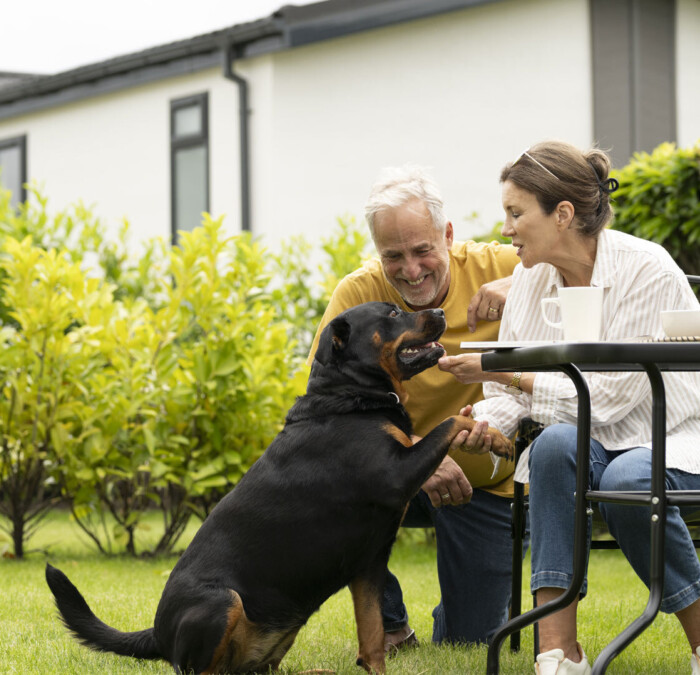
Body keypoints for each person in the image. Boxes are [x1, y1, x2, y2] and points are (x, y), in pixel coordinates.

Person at [438, 140, 700, 674]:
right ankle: (558, 652)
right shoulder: (532, 281)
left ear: (562, 214)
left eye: (516, 213)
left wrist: (505, 370)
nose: (506, 228)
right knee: (555, 445)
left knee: (628, 475)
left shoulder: (645, 270)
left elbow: (610, 399)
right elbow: (509, 399)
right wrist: (482, 424)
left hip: (674, 434)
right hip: (594, 440)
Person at [307, 165, 521, 649]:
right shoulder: (357, 296)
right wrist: (415, 454)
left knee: (471, 642)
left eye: (423, 249)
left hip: (484, 484)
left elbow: (594, 265)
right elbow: (323, 414)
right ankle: (392, 626)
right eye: (393, 256)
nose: (411, 269)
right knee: (317, 482)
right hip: (386, 478)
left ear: (447, 234)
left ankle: (459, 616)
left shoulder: (507, 267)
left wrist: (529, 282)